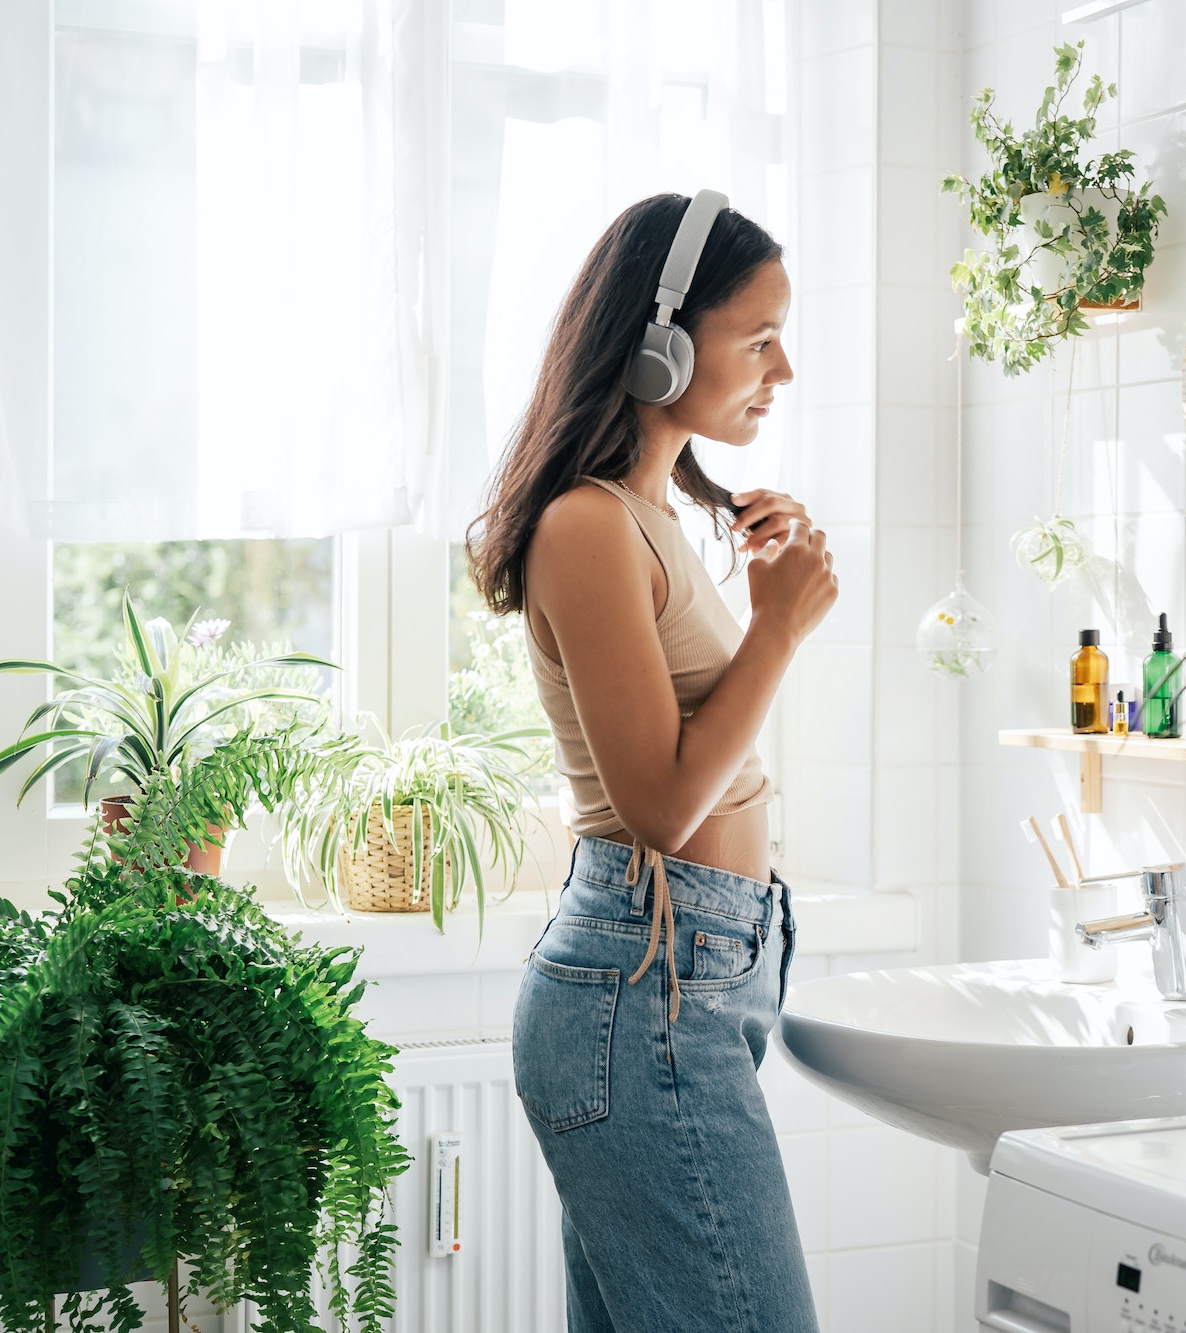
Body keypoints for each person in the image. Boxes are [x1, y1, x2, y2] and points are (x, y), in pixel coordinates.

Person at [466, 190, 834, 1333]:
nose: (781, 369)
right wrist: (775, 629)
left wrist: (773, 608)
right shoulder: (586, 524)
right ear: (664, 340)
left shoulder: (652, 512)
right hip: (647, 986)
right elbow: (661, 807)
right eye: (759, 338)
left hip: (688, 976)